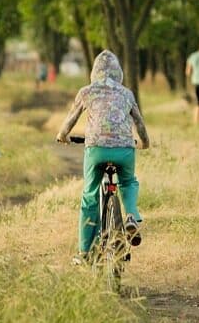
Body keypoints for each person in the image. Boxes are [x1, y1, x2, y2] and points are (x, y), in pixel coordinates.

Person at [56, 50, 150, 262]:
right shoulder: (127, 93)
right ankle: (131, 217)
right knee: (128, 182)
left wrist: (63, 136)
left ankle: (84, 252)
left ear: (94, 72)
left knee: (90, 195)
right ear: (119, 73)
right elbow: (140, 124)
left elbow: (70, 120)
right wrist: (145, 143)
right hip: (125, 149)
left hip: (96, 149)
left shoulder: (87, 92)